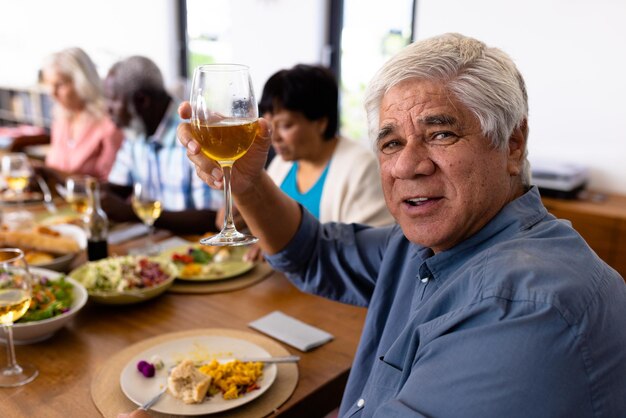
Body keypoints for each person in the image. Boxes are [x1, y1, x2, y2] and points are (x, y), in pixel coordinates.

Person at [123, 33, 626, 417]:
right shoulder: (431, 244)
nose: (407, 166)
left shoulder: (526, 306)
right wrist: (250, 184)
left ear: (513, 144)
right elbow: (314, 251)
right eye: (390, 143)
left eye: (441, 133)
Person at [260, 64, 393, 226]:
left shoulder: (361, 168)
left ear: (321, 122)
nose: (274, 137)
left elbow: (371, 244)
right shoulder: (280, 166)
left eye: (286, 125)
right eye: (269, 124)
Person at [102, 56, 222, 235]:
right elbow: (118, 187)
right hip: (159, 243)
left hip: (197, 249)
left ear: (141, 101)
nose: (107, 109)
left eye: (113, 100)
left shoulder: (193, 133)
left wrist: (134, 213)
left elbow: (212, 218)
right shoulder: (136, 132)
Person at [40, 47, 124, 181]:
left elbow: (112, 186)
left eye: (59, 85)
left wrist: (53, 174)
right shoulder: (61, 120)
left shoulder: (109, 124)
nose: (52, 93)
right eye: (49, 85)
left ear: (82, 82)